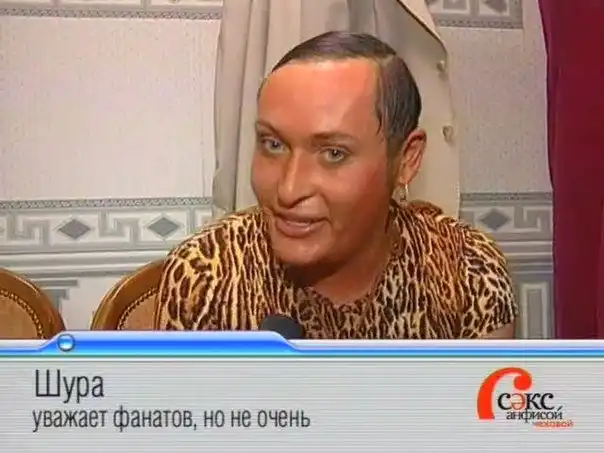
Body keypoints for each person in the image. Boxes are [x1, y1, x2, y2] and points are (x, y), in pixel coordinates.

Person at [154, 31, 518, 339]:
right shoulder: (207, 275)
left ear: (406, 159)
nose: (289, 190)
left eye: (333, 153)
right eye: (273, 144)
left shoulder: (467, 270)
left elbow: (487, 402)